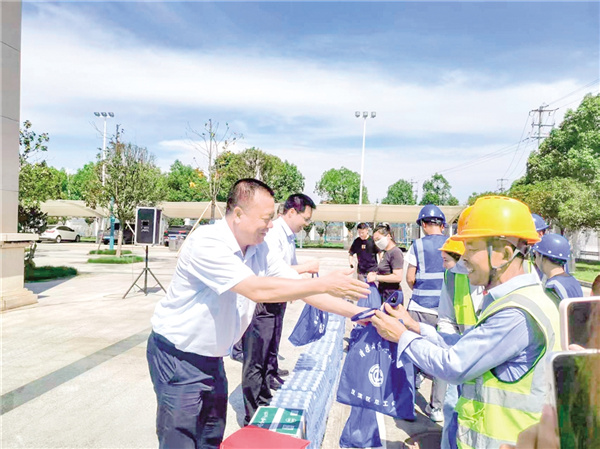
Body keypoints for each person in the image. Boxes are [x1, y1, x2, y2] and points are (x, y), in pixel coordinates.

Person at [146, 178, 370, 449]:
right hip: (179, 358)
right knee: (181, 441)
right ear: (239, 214)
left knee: (210, 437)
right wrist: (323, 283)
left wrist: (361, 313)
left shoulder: (258, 247)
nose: (271, 224)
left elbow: (296, 287)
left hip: (212, 359)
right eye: (265, 218)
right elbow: (255, 289)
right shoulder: (207, 242)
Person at [371, 196, 561, 449]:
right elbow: (467, 346)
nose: (463, 259)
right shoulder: (522, 300)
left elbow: (455, 365)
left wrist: (401, 336)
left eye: (471, 248)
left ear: (504, 254)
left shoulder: (516, 314)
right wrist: (416, 327)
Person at [242, 193, 319, 424]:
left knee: (269, 350)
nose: (306, 224)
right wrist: (305, 270)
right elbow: (274, 272)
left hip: (278, 297)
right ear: (292, 212)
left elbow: (287, 268)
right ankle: (252, 413)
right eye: (305, 218)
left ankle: (264, 396)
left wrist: (293, 286)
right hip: (263, 300)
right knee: (256, 358)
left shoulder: (289, 237)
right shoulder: (273, 233)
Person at [436, 223, 485, 449]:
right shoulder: (452, 277)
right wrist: (453, 349)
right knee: (451, 409)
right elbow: (446, 319)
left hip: (485, 362)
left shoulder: (497, 279)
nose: (443, 265)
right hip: (461, 357)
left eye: (446, 259)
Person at [405, 204, 448, 422]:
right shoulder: (453, 245)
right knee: (441, 357)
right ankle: (436, 408)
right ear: (442, 225)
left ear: (423, 224)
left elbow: (410, 278)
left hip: (418, 308)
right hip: (444, 312)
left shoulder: (417, 245)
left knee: (412, 352)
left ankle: (407, 403)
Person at [532, 233, 583, 301]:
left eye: (535, 255)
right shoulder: (573, 281)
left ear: (542, 256)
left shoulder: (552, 287)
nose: (535, 260)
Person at [366, 223, 404, 302]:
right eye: (375, 240)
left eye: (378, 239)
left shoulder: (395, 252)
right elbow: (386, 271)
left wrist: (376, 278)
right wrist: (375, 274)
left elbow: (398, 277)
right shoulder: (386, 252)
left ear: (388, 236)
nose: (377, 242)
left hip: (391, 294)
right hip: (383, 293)